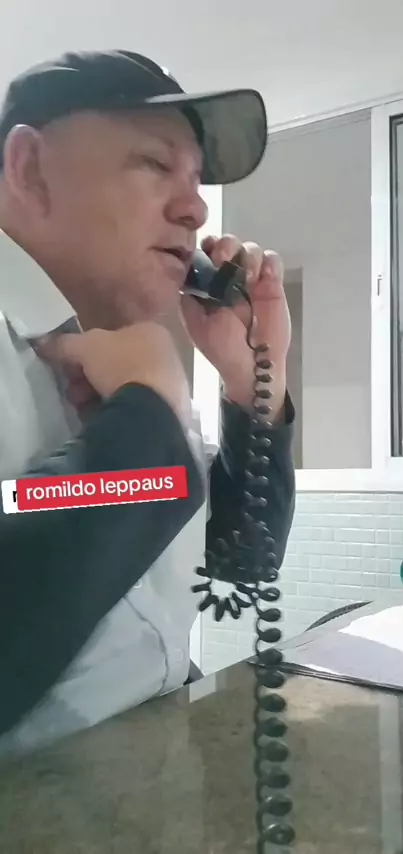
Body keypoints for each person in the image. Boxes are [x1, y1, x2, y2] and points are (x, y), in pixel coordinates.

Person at [0, 50, 295, 753]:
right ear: (31, 170)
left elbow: (238, 561)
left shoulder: (122, 359)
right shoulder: (142, 388)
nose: (196, 208)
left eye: (196, 180)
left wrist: (255, 381)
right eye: (156, 164)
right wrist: (148, 424)